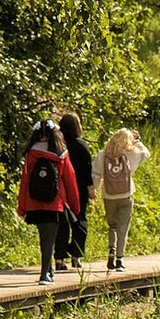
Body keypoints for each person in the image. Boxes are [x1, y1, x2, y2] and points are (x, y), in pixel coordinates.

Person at [14, 120, 82, 285]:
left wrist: (22, 206)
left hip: (34, 201)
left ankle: (49, 269)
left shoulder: (30, 153)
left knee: (44, 237)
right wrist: (75, 206)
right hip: (54, 203)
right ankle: (45, 274)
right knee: (49, 238)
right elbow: (70, 180)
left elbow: (25, 181)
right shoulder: (61, 153)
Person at [93, 128, 150, 272]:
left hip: (109, 196)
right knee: (123, 227)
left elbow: (96, 174)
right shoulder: (131, 154)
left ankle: (111, 249)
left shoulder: (102, 155)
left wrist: (93, 190)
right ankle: (120, 259)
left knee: (112, 225)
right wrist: (137, 140)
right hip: (126, 195)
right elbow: (146, 153)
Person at [56, 112, 94, 271]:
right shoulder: (81, 145)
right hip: (79, 190)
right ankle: (75, 256)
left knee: (61, 224)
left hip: (60, 189)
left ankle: (59, 259)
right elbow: (87, 171)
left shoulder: (58, 145)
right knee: (80, 222)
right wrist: (91, 189)